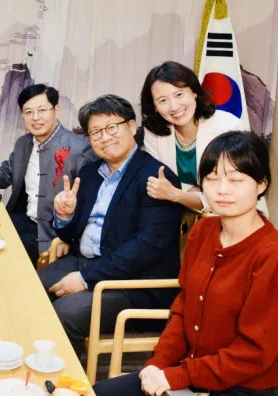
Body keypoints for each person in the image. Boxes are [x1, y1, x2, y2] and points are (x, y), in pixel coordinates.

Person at [94, 131, 277, 396]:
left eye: (236, 180)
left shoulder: (271, 254)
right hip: (193, 371)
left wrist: (176, 375)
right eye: (212, 179)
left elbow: (255, 352)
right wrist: (158, 363)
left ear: (261, 184)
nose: (222, 189)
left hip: (244, 386)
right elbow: (183, 309)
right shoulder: (203, 231)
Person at [39, 94, 183, 355]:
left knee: (64, 313)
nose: (105, 137)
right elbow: (70, 235)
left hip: (133, 283)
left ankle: (64, 376)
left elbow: (146, 248)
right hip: (86, 262)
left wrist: (85, 279)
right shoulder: (90, 173)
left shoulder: (157, 178)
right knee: (29, 290)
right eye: (96, 132)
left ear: (131, 127)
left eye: (111, 127)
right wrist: (65, 216)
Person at [0, 84, 96, 266]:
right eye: (28, 112)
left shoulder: (79, 150)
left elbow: (91, 204)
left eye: (41, 110)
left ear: (56, 110)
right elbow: (9, 170)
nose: (35, 117)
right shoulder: (24, 143)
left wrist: (69, 238)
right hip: (25, 220)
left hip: (53, 233)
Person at [141, 61, 245, 212]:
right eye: (163, 100)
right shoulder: (153, 132)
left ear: (194, 92)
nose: (174, 107)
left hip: (231, 215)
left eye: (179, 95)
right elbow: (158, 183)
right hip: (178, 216)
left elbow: (231, 191)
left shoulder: (228, 126)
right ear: (155, 107)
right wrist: (194, 193)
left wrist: (177, 194)